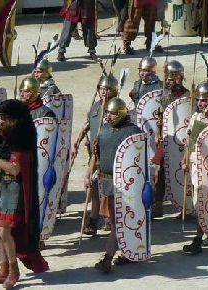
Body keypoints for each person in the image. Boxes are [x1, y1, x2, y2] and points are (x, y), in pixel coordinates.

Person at [0, 99, 49, 288]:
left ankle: (13, 270)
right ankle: (3, 269)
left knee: (4, 230)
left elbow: (15, 169)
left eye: (4, 118)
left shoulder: (22, 139)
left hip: (14, 189)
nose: (0, 122)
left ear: (14, 120)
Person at [92, 98, 142, 273]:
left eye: (112, 113)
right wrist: (90, 172)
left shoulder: (133, 133)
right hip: (106, 182)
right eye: (107, 113)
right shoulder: (104, 130)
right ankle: (129, 253)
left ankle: (107, 258)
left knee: (116, 222)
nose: (109, 116)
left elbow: (139, 161)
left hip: (125, 185)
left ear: (121, 113)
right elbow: (96, 153)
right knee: (118, 222)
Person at [181, 81, 208, 255]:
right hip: (196, 165)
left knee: (207, 202)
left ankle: (199, 239)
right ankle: (207, 234)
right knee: (198, 203)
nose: (201, 104)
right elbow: (189, 141)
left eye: (204, 100)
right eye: (199, 100)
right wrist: (185, 159)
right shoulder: (194, 118)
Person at [72, 74, 119, 236]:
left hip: (107, 155)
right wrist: (77, 142)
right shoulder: (95, 107)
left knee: (105, 187)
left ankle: (105, 218)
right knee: (92, 186)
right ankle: (94, 218)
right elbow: (87, 125)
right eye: (101, 88)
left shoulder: (115, 108)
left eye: (107, 89)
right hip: (93, 153)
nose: (103, 91)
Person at [151, 60, 190, 218]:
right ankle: (158, 204)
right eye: (167, 78)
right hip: (167, 139)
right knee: (159, 170)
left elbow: (189, 120)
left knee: (182, 172)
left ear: (180, 78)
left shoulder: (188, 97)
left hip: (183, 142)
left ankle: (185, 206)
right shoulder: (165, 97)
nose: (168, 81)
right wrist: (158, 132)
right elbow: (160, 117)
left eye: (172, 78)